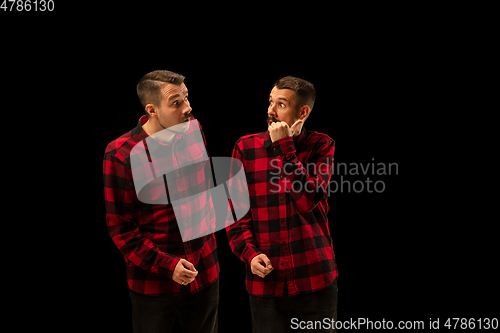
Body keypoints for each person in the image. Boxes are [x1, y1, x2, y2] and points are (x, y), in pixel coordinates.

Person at [103, 70, 219, 333]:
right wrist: (168, 265)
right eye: (176, 102)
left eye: (186, 98)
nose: (187, 107)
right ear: (152, 109)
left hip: (206, 274)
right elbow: (120, 228)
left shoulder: (195, 129)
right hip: (153, 285)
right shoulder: (121, 154)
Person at [226, 76, 338, 332]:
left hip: (315, 281)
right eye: (270, 102)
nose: (271, 111)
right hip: (267, 284)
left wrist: (285, 147)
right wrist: (249, 254)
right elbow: (234, 214)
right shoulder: (245, 147)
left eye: (281, 104)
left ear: (303, 112)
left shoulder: (321, 145)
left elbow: (307, 199)